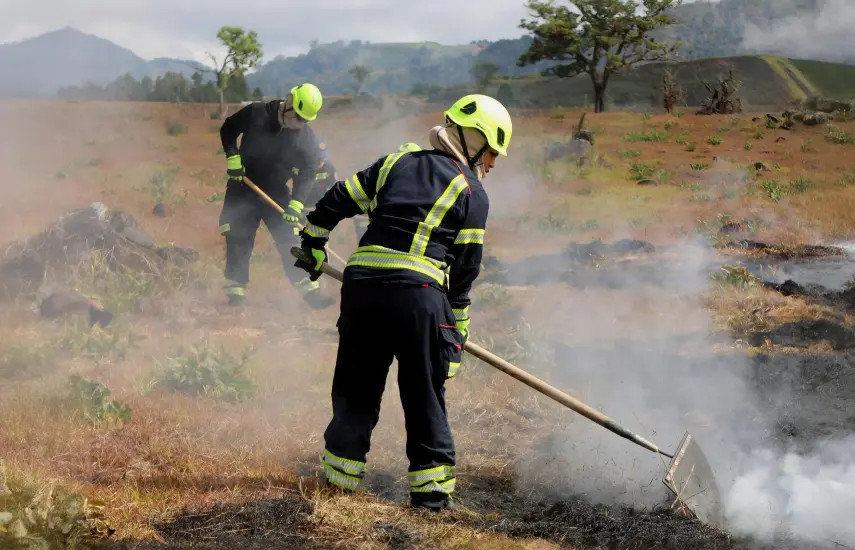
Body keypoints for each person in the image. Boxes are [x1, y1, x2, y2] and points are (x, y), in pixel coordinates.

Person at [295, 94, 512, 511]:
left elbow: (339, 198)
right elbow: (464, 275)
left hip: (361, 291)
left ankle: (339, 480)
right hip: (419, 298)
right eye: (492, 152)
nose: (493, 163)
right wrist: (456, 334)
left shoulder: (395, 162)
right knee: (423, 394)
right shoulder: (473, 192)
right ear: (474, 139)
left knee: (356, 388)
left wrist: (313, 241)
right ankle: (431, 496)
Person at [218, 83, 335, 309]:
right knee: (238, 238)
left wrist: (297, 204)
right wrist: (232, 157)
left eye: (306, 120)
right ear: (289, 102)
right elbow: (228, 129)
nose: (300, 123)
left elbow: (310, 169)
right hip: (243, 185)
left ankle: (310, 291)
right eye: (299, 117)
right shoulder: (256, 113)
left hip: (276, 191)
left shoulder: (305, 136)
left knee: (290, 239)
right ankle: (235, 295)